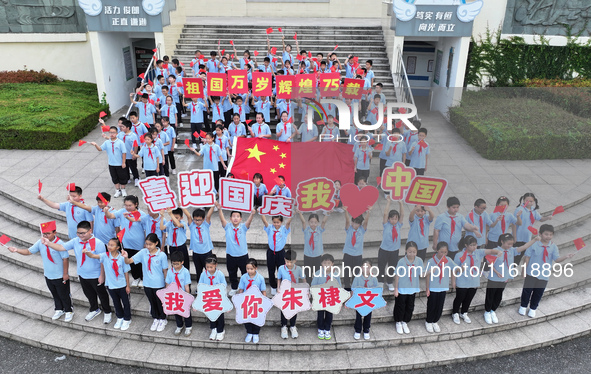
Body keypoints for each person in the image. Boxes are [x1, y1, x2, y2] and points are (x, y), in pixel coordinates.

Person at [45, 220, 113, 324]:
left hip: (95, 275)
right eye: (78, 233)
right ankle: (94, 309)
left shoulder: (98, 243)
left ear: (90, 231)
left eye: (83, 233)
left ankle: (107, 312)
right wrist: (48, 243)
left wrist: (102, 275)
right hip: (82, 274)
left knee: (102, 294)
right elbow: (61, 247)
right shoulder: (76, 241)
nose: (80, 235)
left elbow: (103, 260)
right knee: (89, 294)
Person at [7, 221, 72, 322]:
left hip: (59, 275)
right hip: (48, 274)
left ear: (55, 233)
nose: (45, 236)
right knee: (54, 293)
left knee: (64, 293)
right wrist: (17, 250)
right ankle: (59, 309)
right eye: (44, 234)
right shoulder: (41, 242)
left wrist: (65, 274)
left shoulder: (60, 244)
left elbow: (65, 259)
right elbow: (29, 251)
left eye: (48, 233)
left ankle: (68, 310)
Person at [519, 224, 575, 318]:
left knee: (538, 292)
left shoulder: (553, 247)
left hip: (544, 274)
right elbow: (527, 258)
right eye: (546, 234)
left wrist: (566, 256)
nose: (548, 236)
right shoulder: (534, 244)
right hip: (531, 272)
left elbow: (556, 259)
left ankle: (533, 308)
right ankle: (523, 306)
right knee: (527, 290)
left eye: (550, 234)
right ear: (540, 234)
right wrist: (524, 270)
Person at [484, 233, 538, 325]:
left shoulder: (512, 250)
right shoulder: (495, 250)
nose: (510, 246)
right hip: (494, 277)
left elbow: (524, 247)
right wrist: (496, 272)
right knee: (490, 294)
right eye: (508, 244)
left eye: (511, 244)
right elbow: (489, 263)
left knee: (499, 295)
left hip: (504, 277)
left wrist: (534, 240)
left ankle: (493, 310)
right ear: (502, 241)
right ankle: (487, 311)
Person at [122, 233, 168, 332]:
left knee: (160, 302)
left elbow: (165, 270)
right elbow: (129, 261)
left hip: (158, 283)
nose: (148, 246)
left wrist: (166, 285)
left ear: (156, 243)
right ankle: (155, 318)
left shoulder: (162, 255)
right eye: (146, 244)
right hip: (147, 283)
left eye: (150, 244)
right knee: (152, 301)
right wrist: (125, 256)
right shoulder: (143, 252)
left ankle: (163, 319)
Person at [452, 236, 501, 325]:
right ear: (466, 245)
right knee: (460, 298)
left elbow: (490, 251)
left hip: (474, 281)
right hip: (462, 280)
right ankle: (455, 312)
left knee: (469, 298)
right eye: (472, 245)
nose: (474, 247)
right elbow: (454, 269)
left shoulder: (478, 252)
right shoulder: (459, 255)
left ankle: (464, 312)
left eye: (475, 244)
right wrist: (454, 280)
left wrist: (498, 251)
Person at [104, 195, 148, 287]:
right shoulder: (122, 212)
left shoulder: (142, 215)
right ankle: (136, 278)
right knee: (130, 261)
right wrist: (106, 211)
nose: (127, 207)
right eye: (126, 205)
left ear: (136, 204)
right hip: (127, 243)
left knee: (140, 262)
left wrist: (145, 243)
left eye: (130, 205)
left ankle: (143, 278)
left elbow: (145, 230)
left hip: (139, 243)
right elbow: (111, 216)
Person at [214, 202, 256, 295]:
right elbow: (222, 220)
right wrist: (219, 209)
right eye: (233, 216)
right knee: (232, 272)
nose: (235, 218)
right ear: (230, 218)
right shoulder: (228, 227)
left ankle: (246, 287)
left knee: (245, 272)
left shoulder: (243, 227)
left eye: (237, 216)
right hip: (231, 255)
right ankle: (234, 287)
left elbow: (249, 222)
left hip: (243, 255)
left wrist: (252, 214)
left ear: (241, 219)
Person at [424, 242, 457, 333]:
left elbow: (454, 269)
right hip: (433, 287)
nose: (443, 254)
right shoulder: (431, 261)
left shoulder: (448, 260)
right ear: (437, 250)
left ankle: (435, 321)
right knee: (431, 305)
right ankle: (428, 321)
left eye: (445, 252)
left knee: (440, 306)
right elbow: (426, 275)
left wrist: (454, 280)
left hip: (443, 287)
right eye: (441, 252)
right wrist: (427, 288)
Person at [514, 192, 552, 265]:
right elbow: (514, 224)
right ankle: (511, 267)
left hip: (527, 236)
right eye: (527, 201)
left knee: (521, 254)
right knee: (515, 254)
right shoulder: (519, 210)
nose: (529, 203)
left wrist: (547, 218)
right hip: (518, 236)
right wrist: (514, 236)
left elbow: (540, 219)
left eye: (531, 201)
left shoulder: (533, 210)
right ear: (523, 200)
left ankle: (514, 267)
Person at [393, 241, 423, 334]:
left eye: (414, 252)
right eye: (410, 252)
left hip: (412, 288)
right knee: (400, 305)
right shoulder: (402, 261)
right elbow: (397, 275)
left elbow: (421, 274)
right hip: (402, 288)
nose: (412, 254)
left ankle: (405, 321)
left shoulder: (419, 261)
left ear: (416, 251)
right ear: (406, 251)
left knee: (410, 306)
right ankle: (398, 321)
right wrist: (396, 288)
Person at [90, 126, 127, 197]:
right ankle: (117, 190)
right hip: (111, 164)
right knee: (114, 177)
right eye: (110, 132)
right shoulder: (107, 142)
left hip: (119, 164)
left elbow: (124, 152)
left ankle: (123, 190)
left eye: (113, 132)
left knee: (122, 177)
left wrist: (123, 162)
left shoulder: (120, 142)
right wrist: (95, 145)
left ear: (117, 133)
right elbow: (100, 149)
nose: (112, 134)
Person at [342, 205, 372, 289]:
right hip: (348, 254)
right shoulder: (349, 229)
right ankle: (347, 285)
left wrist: (368, 212)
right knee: (346, 271)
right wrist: (346, 211)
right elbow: (347, 221)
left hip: (357, 255)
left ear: (359, 224)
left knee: (356, 272)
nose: (354, 224)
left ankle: (355, 286)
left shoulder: (362, 230)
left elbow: (366, 222)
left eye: (356, 223)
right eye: (353, 222)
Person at [260, 214, 292, 295]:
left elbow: (288, 223)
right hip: (271, 252)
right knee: (271, 270)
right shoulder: (270, 228)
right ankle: (273, 286)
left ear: (281, 222)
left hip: (280, 253)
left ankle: (282, 285)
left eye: (278, 222)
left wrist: (292, 215)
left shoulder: (284, 229)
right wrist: (261, 213)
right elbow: (264, 221)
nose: (276, 224)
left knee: (281, 270)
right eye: (274, 222)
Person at [198, 255, 227, 340]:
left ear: (216, 265)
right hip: (208, 298)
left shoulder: (220, 274)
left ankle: (220, 330)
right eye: (207, 267)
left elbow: (223, 286)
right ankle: (213, 328)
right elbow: (200, 285)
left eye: (211, 267)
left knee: (220, 314)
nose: (209, 269)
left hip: (218, 298)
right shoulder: (203, 274)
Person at [237, 258, 267, 344]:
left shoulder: (260, 278)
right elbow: (241, 289)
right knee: (247, 317)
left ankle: (256, 333)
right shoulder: (243, 277)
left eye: (251, 269)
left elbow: (263, 291)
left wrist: (264, 303)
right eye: (248, 269)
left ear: (256, 268)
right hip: (246, 301)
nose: (249, 271)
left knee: (256, 317)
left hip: (256, 301)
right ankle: (249, 332)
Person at [296, 208, 329, 284]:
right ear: (308, 222)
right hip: (308, 255)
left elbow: (324, 221)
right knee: (308, 273)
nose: (313, 224)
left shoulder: (319, 230)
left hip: (318, 255)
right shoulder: (306, 230)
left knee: (317, 272)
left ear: (318, 223)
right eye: (311, 222)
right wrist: (300, 213)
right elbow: (303, 222)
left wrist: (327, 213)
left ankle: (316, 286)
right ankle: (309, 286)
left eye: (315, 222)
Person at [312, 253, 340, 340]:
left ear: (332, 264)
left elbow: (338, 287)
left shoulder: (335, 274)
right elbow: (313, 285)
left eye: (328, 263)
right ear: (321, 264)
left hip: (331, 297)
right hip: (321, 297)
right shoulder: (317, 273)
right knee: (320, 314)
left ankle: (327, 328)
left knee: (329, 314)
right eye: (325, 263)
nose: (326, 265)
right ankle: (320, 328)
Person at [276, 250, 303, 339]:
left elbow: (304, 279)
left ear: (295, 261)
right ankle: (284, 326)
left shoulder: (298, 269)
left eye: (291, 262)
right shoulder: (281, 268)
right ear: (284, 260)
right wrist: (278, 288)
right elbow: (279, 279)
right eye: (287, 262)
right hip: (284, 292)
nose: (289, 264)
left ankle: (292, 326)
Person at [378, 198, 404, 291]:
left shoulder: (398, 225)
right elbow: (385, 214)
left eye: (395, 218)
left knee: (392, 267)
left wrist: (400, 203)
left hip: (394, 250)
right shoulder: (386, 224)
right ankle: (380, 281)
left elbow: (402, 215)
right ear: (389, 219)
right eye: (392, 218)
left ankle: (389, 282)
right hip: (384, 249)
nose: (394, 220)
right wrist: (388, 202)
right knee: (381, 266)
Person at [166, 251, 193, 336]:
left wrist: (188, 297)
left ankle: (188, 326)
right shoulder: (170, 272)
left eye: (177, 264)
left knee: (186, 311)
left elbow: (187, 286)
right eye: (173, 264)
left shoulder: (185, 272)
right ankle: (179, 325)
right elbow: (168, 283)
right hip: (174, 295)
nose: (175, 266)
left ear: (182, 262)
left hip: (183, 295)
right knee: (176, 311)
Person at [351, 259, 378, 340]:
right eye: (364, 266)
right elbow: (353, 288)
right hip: (359, 300)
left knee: (368, 315)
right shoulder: (357, 278)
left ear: (371, 268)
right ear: (361, 267)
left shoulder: (374, 278)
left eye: (368, 267)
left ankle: (366, 329)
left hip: (369, 300)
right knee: (358, 315)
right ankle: (358, 330)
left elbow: (376, 289)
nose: (366, 269)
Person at [184, 206, 215, 277]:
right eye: (195, 219)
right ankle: (200, 285)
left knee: (209, 271)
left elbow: (208, 215)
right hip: (196, 252)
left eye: (199, 220)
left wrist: (213, 205)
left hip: (206, 252)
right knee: (198, 271)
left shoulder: (205, 225)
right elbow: (188, 216)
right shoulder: (192, 226)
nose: (197, 222)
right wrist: (182, 206)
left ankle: (210, 286)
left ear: (203, 219)